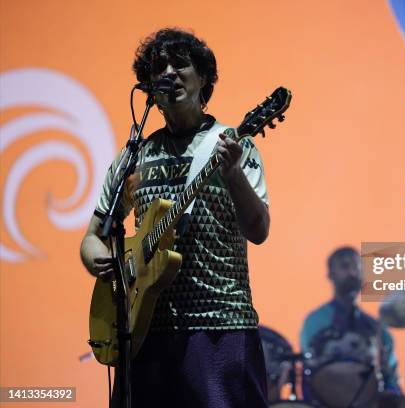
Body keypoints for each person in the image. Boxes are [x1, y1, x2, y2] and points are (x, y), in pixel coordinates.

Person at [80, 28, 270, 407]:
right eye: (159, 68)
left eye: (181, 64)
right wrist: (98, 257)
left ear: (203, 80)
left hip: (219, 330)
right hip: (145, 333)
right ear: (149, 89)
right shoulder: (134, 156)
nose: (169, 72)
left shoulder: (234, 144)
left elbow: (259, 229)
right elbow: (93, 236)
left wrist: (233, 175)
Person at [300, 246, 402, 404]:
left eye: (357, 266)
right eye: (344, 266)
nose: (352, 272)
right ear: (330, 275)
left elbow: (391, 378)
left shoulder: (377, 328)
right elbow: (309, 372)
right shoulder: (314, 322)